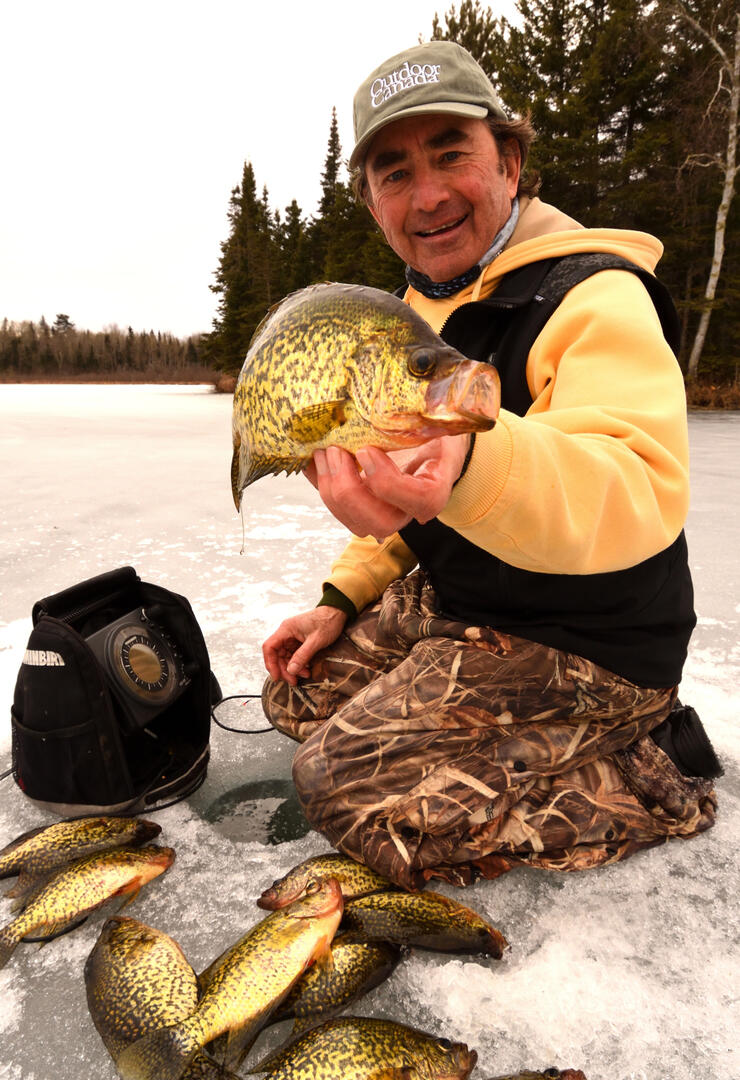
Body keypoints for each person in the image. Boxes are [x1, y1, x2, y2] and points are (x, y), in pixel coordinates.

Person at [260, 41, 720, 890]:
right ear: (371, 202)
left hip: (590, 637)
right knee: (294, 693)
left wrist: (475, 458)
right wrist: (341, 598)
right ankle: (483, 717)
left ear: (509, 162)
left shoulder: (593, 296)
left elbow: (636, 485)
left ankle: (650, 775)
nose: (427, 194)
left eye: (451, 155)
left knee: (344, 789)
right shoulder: (405, 319)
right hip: (468, 599)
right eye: (394, 172)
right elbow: (407, 502)